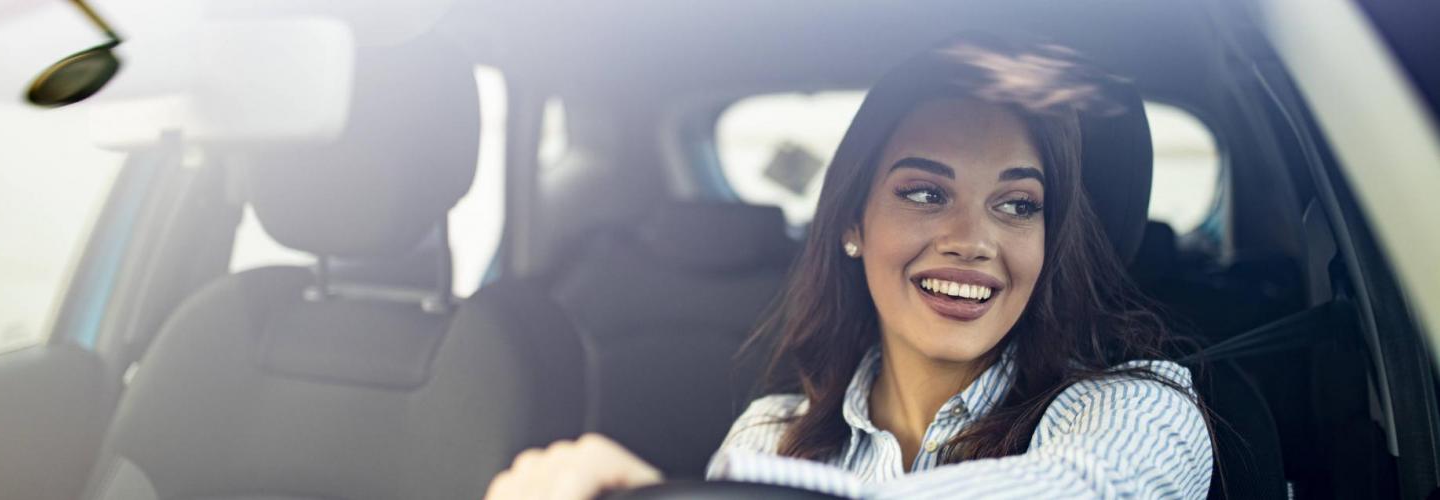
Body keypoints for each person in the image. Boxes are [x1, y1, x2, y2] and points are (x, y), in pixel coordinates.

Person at [484, 36, 1213, 499]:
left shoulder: (1140, 408)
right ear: (852, 225)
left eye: (1018, 205)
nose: (973, 238)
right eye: (926, 193)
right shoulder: (771, 438)